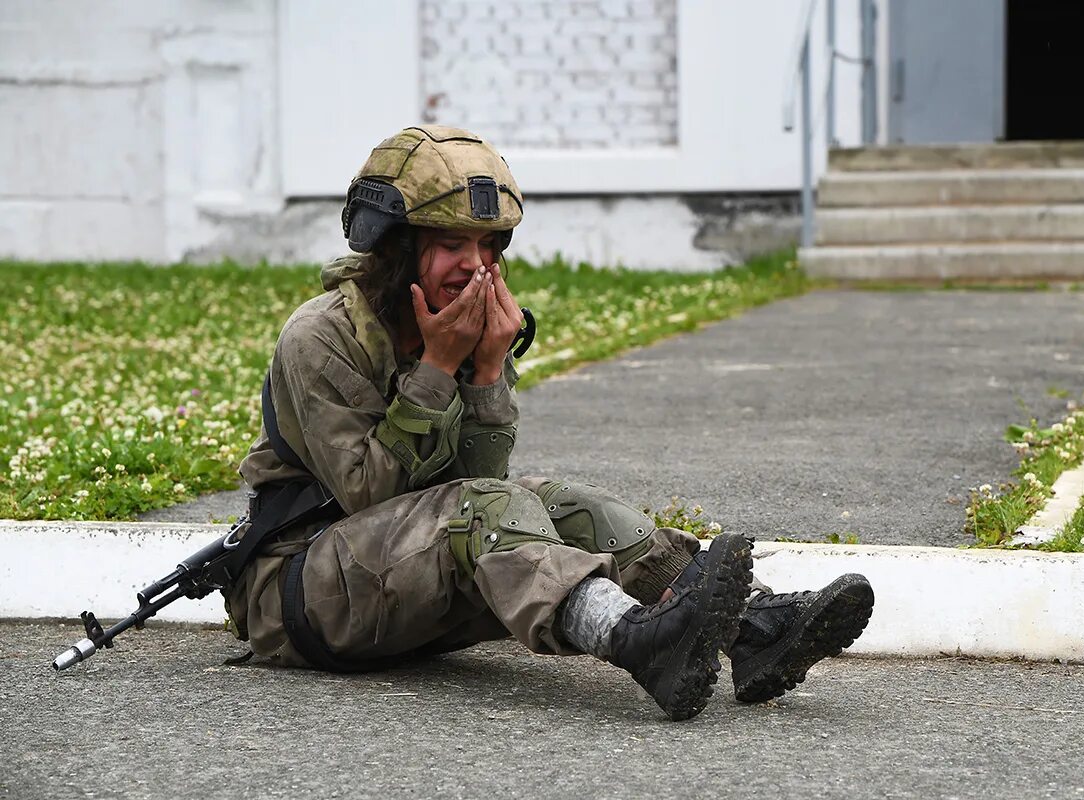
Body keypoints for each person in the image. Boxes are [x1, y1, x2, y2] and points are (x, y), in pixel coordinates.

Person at [223, 125, 874, 721]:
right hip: (300, 595)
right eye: (450, 244)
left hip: (389, 584)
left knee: (559, 502)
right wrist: (440, 370)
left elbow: (477, 485)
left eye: (487, 246)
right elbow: (371, 495)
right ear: (396, 250)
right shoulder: (322, 337)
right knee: (492, 507)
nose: (475, 266)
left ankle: (756, 629)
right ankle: (632, 640)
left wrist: (483, 373)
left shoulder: (455, 323)